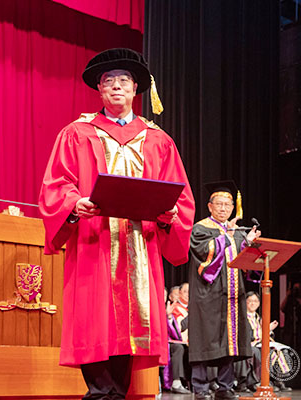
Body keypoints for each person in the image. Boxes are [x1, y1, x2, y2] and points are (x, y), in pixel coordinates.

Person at [39, 48, 195, 400]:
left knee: (131, 322)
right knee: (95, 317)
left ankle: (114, 394)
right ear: (99, 89)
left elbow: (181, 195)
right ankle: (99, 392)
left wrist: (169, 214)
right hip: (94, 243)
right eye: (108, 80)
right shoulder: (77, 133)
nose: (116, 86)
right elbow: (56, 184)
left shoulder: (158, 140)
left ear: (136, 88)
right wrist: (74, 203)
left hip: (139, 245)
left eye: (124, 80)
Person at [187, 181, 260, 400]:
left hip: (232, 295)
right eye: (219, 204)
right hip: (207, 294)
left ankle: (224, 387)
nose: (223, 208)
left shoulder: (236, 231)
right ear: (209, 206)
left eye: (227, 205)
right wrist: (227, 237)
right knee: (204, 338)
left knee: (229, 341)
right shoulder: (201, 228)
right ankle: (200, 387)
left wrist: (248, 244)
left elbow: (244, 263)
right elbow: (204, 256)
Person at [240, 291, 293, 393]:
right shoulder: (242, 318)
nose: (253, 303)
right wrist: (266, 330)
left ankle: (277, 380)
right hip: (249, 344)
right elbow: (248, 335)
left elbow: (269, 335)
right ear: (245, 303)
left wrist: (269, 331)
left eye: (255, 301)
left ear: (259, 303)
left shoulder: (258, 318)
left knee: (276, 351)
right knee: (258, 351)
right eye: (250, 301)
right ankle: (259, 381)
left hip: (259, 343)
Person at [169, 282, 191, 394]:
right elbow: (179, 328)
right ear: (180, 293)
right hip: (178, 341)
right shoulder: (175, 308)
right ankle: (177, 382)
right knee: (179, 348)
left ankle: (210, 381)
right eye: (185, 291)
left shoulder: (191, 308)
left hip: (192, 342)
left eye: (190, 292)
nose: (188, 294)